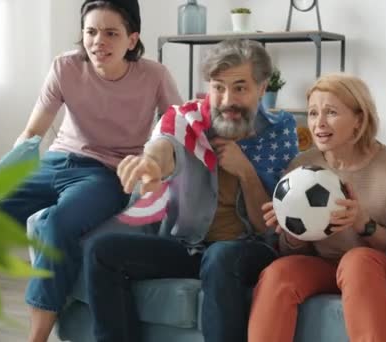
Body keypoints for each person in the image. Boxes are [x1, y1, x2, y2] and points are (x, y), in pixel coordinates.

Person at [0, 1, 182, 341]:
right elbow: (32, 134)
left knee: (56, 225)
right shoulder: (65, 67)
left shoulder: (154, 75)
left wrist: (153, 165)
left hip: (104, 174)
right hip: (54, 163)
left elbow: (176, 130)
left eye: (111, 33)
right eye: (91, 32)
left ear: (132, 40)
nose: (99, 41)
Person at [83, 38, 299, 342]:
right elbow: (164, 146)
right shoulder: (189, 119)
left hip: (248, 248)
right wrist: (150, 164)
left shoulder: (280, 132)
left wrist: (246, 171)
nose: (226, 101)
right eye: (218, 87)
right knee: (101, 252)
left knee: (221, 256)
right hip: (191, 246)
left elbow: (270, 228)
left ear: (263, 88)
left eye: (240, 88)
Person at [248, 73, 386, 342]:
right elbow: (290, 250)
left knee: (356, 261)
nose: (318, 123)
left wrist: (365, 225)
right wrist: (290, 232)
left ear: (359, 119)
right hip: (325, 265)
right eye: (313, 113)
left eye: (331, 112)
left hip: (380, 269)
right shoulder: (300, 167)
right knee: (278, 273)